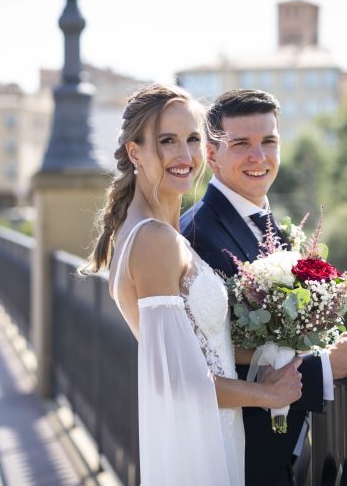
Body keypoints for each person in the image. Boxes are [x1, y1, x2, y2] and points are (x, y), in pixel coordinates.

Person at [83, 84, 305, 486]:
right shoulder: (154, 240)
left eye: (193, 140)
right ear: (136, 152)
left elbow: (203, 347)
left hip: (213, 428)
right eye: (167, 141)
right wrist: (269, 396)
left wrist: (287, 357)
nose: (185, 156)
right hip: (200, 440)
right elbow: (178, 380)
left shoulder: (154, 233)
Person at [180, 89, 347, 486]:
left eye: (269, 141)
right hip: (241, 454)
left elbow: (277, 335)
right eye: (241, 144)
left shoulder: (267, 224)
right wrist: (330, 366)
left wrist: (345, 348)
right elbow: (209, 358)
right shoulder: (197, 235)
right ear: (211, 155)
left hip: (280, 450)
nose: (258, 157)